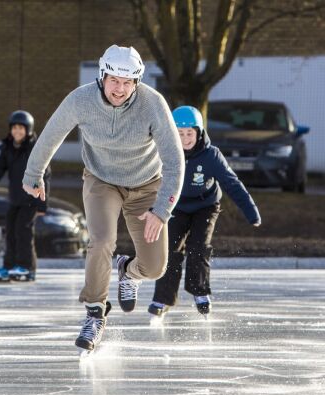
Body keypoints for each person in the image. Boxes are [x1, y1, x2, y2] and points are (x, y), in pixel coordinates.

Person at [22, 44, 184, 353]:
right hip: (101, 181)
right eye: (114, 81)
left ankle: (129, 271)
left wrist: (161, 209)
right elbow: (51, 135)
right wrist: (33, 175)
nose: (120, 89)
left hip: (147, 185)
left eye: (127, 83)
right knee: (101, 240)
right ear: (102, 75)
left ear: (136, 82)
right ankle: (95, 312)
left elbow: (175, 162)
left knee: (155, 267)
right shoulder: (80, 100)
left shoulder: (153, 104)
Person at [148, 106, 261, 320]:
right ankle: (163, 299)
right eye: (180, 134)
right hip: (176, 206)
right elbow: (149, 182)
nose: (185, 138)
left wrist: (251, 211)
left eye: (190, 133)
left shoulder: (211, 155)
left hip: (205, 206)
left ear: (199, 132)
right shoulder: (166, 153)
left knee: (198, 247)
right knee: (170, 250)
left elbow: (232, 183)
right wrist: (149, 208)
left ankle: (200, 292)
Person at [0, 110, 50, 282]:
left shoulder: (35, 149)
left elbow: (45, 175)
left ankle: (27, 268)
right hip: (15, 199)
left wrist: (42, 204)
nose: (17, 132)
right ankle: (9, 267)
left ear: (28, 130)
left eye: (21, 128)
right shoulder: (8, 148)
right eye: (14, 128)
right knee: (11, 232)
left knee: (23, 232)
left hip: (31, 200)